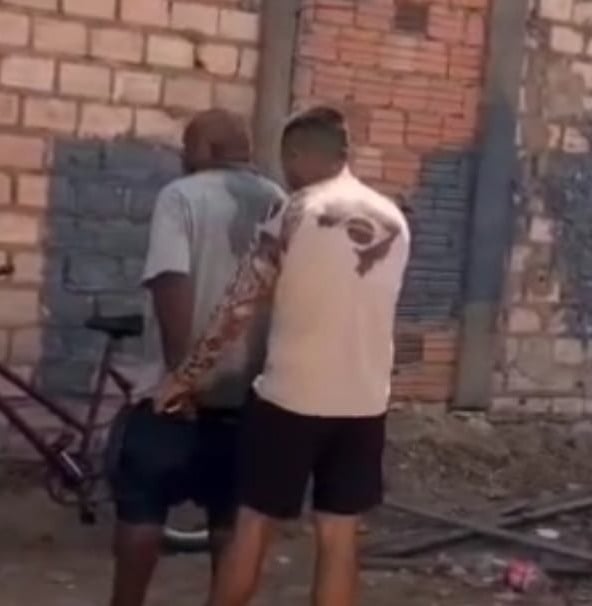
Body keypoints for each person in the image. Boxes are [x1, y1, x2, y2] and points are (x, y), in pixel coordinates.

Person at [157, 105, 410, 606]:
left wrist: (184, 377)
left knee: (253, 525)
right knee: (338, 535)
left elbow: (239, 306)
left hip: (290, 400)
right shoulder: (395, 220)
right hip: (364, 402)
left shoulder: (296, 213)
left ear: (295, 155)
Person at [106, 108, 286, 606]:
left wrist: (183, 377)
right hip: (247, 396)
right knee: (229, 521)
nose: (183, 159)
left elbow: (171, 282)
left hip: (176, 395)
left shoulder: (181, 197)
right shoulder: (280, 203)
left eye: (187, 149)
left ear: (205, 149)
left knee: (142, 512)